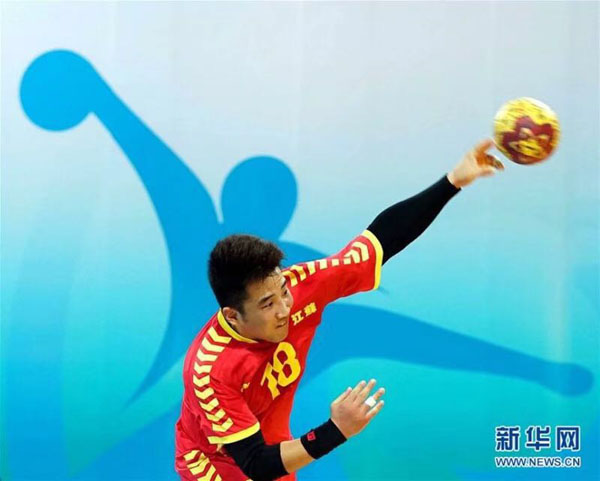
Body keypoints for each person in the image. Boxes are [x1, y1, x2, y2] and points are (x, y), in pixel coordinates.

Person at [174, 139, 504, 481]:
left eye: (283, 292)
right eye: (267, 304)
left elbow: (380, 241)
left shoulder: (301, 285)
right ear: (233, 315)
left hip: (272, 443)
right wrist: (335, 431)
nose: (284, 309)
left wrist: (452, 182)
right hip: (215, 462)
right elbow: (255, 464)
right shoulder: (210, 370)